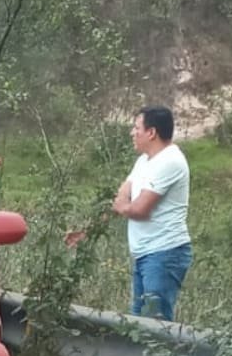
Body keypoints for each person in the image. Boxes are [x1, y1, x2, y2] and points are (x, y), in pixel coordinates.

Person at [69, 105, 191, 320]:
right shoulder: (143, 161)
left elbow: (139, 209)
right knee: (138, 322)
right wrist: (88, 231)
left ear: (151, 132)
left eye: (136, 128)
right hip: (145, 254)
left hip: (164, 253)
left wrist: (125, 205)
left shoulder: (170, 161)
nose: (132, 133)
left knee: (155, 324)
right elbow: (121, 197)